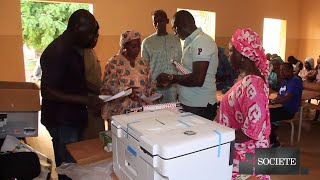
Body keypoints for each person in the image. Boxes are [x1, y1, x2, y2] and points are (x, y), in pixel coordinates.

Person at [40, 9, 104, 179]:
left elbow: (76, 80)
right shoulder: (58, 51)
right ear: (77, 27)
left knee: (74, 165)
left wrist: (100, 91)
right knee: (68, 168)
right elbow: (47, 91)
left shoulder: (75, 49)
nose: (92, 37)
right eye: (90, 32)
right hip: (61, 120)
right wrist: (86, 99)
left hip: (72, 117)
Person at [217, 28, 271, 180]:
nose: (228, 55)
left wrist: (218, 139)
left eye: (231, 51)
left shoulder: (254, 83)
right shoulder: (247, 80)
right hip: (241, 152)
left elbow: (251, 131)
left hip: (246, 159)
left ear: (242, 54)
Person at [157, 10, 218, 120]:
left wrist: (172, 78)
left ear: (182, 25)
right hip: (190, 103)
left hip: (200, 106)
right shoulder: (190, 42)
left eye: (174, 27)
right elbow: (189, 72)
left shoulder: (202, 41)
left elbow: (197, 79)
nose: (174, 32)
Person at [101, 31, 156, 130]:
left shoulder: (143, 62)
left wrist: (152, 91)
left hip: (140, 110)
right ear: (124, 46)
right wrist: (127, 91)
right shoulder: (114, 62)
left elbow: (149, 82)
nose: (137, 49)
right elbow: (107, 86)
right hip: (120, 111)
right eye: (133, 46)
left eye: (139, 46)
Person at [142, 9, 182, 103]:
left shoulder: (176, 40)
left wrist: (176, 81)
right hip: (155, 88)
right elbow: (144, 67)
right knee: (155, 114)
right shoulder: (147, 42)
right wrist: (151, 85)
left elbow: (179, 63)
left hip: (173, 87)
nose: (157, 24)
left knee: (172, 114)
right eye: (155, 22)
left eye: (161, 21)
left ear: (167, 21)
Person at [269, 62, 303, 147]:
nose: (281, 72)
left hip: (289, 110)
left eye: (284, 70)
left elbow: (286, 98)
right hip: (281, 107)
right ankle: (270, 138)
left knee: (268, 116)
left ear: (291, 70)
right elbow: (279, 97)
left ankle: (274, 142)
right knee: (265, 113)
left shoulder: (295, 81)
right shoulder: (284, 82)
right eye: (280, 70)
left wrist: (273, 102)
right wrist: (270, 101)